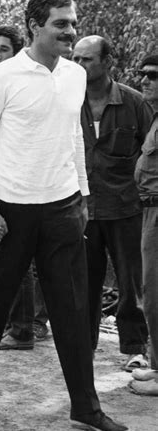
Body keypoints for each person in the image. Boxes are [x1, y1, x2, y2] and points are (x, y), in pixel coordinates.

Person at [0, 0, 128, 431]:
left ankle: (86, 407)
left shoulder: (75, 75)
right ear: (35, 26)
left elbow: (74, 137)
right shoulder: (3, 76)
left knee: (72, 308)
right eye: (61, 24)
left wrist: (84, 194)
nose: (70, 31)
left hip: (63, 206)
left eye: (73, 23)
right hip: (11, 208)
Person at [73, 36, 152, 371]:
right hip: (81, 209)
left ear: (107, 63)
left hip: (126, 208)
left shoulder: (134, 104)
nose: (78, 66)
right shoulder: (66, 102)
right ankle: (82, 347)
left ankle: (136, 348)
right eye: (74, 59)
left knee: (132, 281)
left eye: (86, 60)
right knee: (82, 283)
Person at [0, 25, 50, 349]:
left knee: (14, 256)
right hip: (1, 181)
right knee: (2, 256)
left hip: (23, 187)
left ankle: (23, 328)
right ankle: (21, 323)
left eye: (4, 49)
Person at [128, 53, 158, 396]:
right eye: (143, 74)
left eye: (153, 76)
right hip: (149, 212)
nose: (145, 80)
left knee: (155, 296)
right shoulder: (153, 118)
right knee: (151, 294)